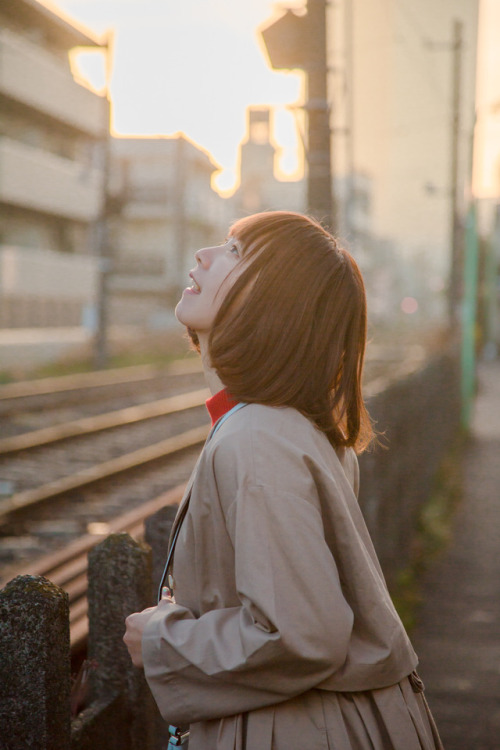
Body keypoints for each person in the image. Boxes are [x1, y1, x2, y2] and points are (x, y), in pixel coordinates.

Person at [124, 211, 443, 750]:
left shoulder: (257, 436)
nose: (203, 255)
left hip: (289, 730)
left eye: (234, 251)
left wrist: (161, 637)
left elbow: (302, 634)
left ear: (273, 302)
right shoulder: (292, 428)